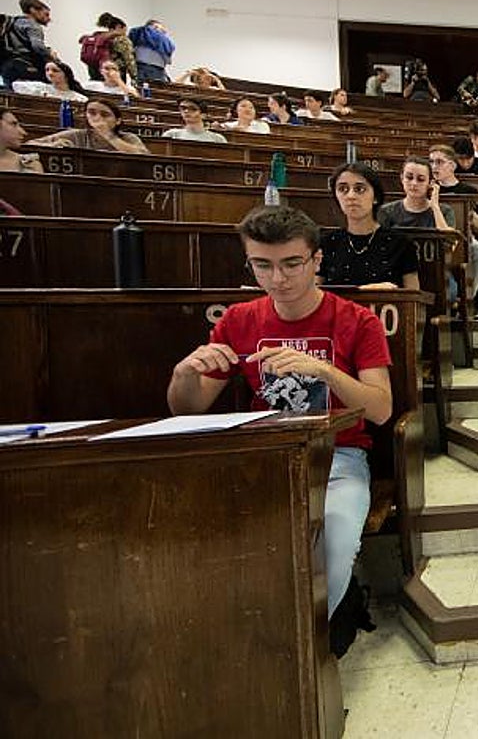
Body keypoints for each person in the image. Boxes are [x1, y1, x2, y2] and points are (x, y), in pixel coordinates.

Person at [165, 205, 391, 645]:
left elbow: (381, 409)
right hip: (262, 459)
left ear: (316, 260)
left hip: (337, 459)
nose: (278, 278)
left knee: (334, 546)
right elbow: (187, 409)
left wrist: (324, 371)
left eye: (291, 264)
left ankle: (303, 650)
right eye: (262, 265)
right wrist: (183, 374)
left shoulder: (357, 320)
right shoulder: (238, 320)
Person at [320, 162, 420, 291]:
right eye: (343, 189)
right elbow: (314, 294)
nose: (350, 196)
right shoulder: (326, 244)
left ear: (375, 197)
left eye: (359, 189)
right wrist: (365, 289)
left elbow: (413, 297)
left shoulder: (401, 244)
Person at [430, 144, 478, 302]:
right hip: (435, 238)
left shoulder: (469, 191)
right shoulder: (427, 188)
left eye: (439, 162)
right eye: (431, 162)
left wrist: (469, 213)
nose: (434, 167)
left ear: (452, 166)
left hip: (464, 238)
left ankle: (469, 299)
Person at [28, 97, 149, 154]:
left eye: (105, 114)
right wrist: (53, 145)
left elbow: (144, 157)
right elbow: (29, 145)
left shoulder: (128, 138)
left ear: (118, 121)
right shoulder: (75, 135)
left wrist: (108, 135)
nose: (97, 118)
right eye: (92, 113)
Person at [378, 156, 456, 233]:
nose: (414, 183)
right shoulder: (386, 211)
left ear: (430, 183)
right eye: (409, 177)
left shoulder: (445, 211)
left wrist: (435, 207)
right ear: (402, 179)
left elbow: (449, 240)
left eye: (421, 179)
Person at [1, 0, 56, 85]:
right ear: (33, 10)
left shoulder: (11, 24)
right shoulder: (33, 25)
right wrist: (51, 56)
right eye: (46, 14)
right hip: (25, 66)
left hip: (6, 67)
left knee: (12, 92)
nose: (49, 19)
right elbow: (37, 46)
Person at [78, 12, 134, 82]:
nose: (125, 33)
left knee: (96, 87)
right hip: (113, 73)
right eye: (125, 29)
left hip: (94, 71)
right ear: (119, 26)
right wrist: (134, 77)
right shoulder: (121, 40)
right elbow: (129, 59)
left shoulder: (97, 36)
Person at [12, 60, 87, 102]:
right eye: (47, 70)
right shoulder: (41, 87)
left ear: (66, 75)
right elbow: (16, 85)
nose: (50, 73)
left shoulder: (78, 97)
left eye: (55, 70)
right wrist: (43, 94)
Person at [163, 97, 228, 143]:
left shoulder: (218, 139)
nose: (186, 111)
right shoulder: (171, 135)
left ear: (203, 115)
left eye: (192, 109)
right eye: (183, 108)